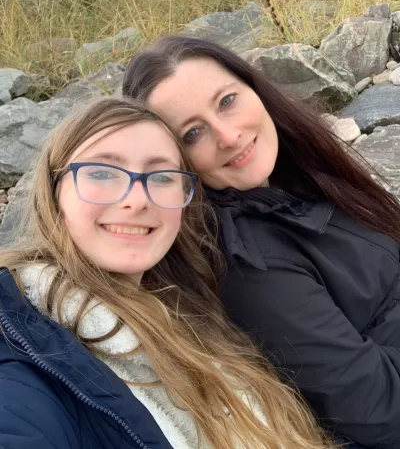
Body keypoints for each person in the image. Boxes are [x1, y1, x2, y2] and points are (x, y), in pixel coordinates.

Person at [0, 97, 335, 449]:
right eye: (101, 172)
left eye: (161, 176)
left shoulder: (196, 310)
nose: (137, 199)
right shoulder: (22, 353)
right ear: (55, 192)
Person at [122, 35, 400, 449]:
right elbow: (380, 411)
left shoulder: (295, 174)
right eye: (193, 133)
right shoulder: (252, 266)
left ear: (254, 87)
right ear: (173, 162)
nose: (229, 136)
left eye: (227, 101)